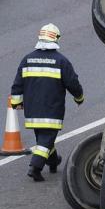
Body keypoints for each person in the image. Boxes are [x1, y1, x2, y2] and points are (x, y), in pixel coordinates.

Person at [11, 24, 83, 183]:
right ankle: (35, 167)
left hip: (32, 111)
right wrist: (79, 97)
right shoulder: (61, 61)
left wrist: (17, 103)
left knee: (44, 139)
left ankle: (53, 161)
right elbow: (72, 82)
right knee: (46, 138)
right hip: (52, 110)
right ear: (56, 38)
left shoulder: (27, 59)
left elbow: (17, 83)